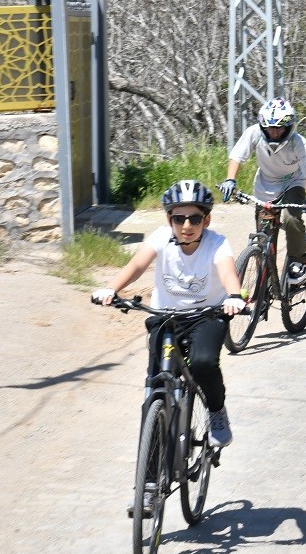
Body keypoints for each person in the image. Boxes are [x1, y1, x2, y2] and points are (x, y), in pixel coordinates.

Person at [93, 181, 245, 454]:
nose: (187, 225)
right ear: (169, 220)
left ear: (206, 220)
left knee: (203, 363)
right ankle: (149, 487)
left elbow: (226, 273)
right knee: (156, 388)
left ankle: (216, 411)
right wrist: (111, 288)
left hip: (206, 316)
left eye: (195, 218)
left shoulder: (217, 243)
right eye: (179, 218)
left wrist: (234, 296)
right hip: (164, 317)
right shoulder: (160, 238)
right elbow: (136, 265)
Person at [219, 98, 306, 287]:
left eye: (280, 128)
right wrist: (230, 180)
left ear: (290, 126)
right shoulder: (254, 133)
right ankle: (265, 282)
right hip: (265, 186)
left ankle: (299, 264)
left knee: (291, 219)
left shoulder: (298, 143)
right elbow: (237, 156)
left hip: (293, 182)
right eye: (270, 127)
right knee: (263, 238)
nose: (274, 132)